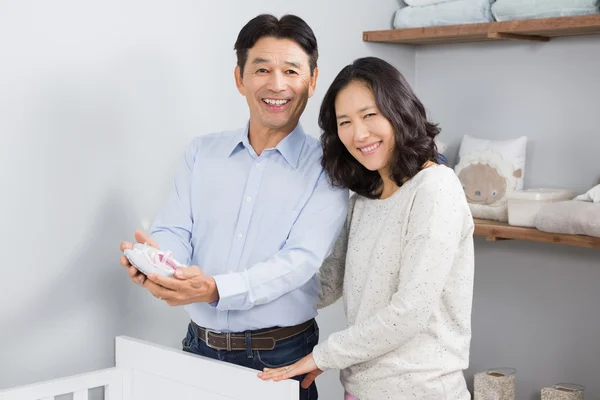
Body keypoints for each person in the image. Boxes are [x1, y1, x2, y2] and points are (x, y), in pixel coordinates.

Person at [119, 14, 348, 400]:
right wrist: (160, 267)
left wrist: (214, 290)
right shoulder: (202, 153)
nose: (277, 85)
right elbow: (175, 229)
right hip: (197, 346)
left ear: (312, 80)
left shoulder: (330, 168)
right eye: (262, 69)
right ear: (240, 78)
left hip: (279, 358)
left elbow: (299, 261)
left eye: (291, 71)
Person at [258, 56, 475, 400]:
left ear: (399, 110)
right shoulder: (365, 196)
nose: (358, 134)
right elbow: (328, 282)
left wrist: (323, 355)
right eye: (344, 122)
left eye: (370, 115)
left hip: (423, 392)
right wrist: (241, 292)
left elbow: (410, 311)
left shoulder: (435, 188)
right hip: (360, 390)